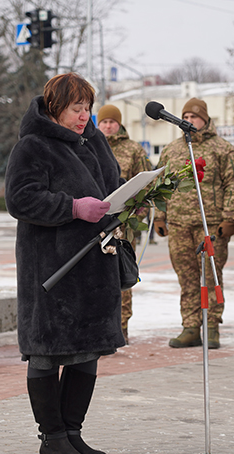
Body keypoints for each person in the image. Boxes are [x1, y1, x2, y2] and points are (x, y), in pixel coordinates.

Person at [4, 73, 125, 454]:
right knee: (47, 351)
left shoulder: (94, 140)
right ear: (55, 108)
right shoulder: (33, 145)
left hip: (93, 265)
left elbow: (111, 187)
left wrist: (132, 197)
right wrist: (73, 207)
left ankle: (73, 433)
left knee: (86, 349)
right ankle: (52, 439)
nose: (84, 116)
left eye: (88, 108)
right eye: (77, 108)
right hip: (51, 267)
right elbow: (21, 199)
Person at [154, 97, 234, 349]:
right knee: (187, 278)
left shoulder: (223, 149)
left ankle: (212, 326)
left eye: (194, 117)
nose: (189, 120)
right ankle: (191, 326)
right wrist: (159, 216)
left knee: (211, 276)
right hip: (179, 224)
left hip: (210, 225)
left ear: (205, 119)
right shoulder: (171, 150)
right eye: (186, 117)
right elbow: (160, 183)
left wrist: (230, 218)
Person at [97, 104, 152, 344]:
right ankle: (97, 327)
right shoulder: (88, 146)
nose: (108, 126)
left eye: (112, 122)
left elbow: (146, 185)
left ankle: (121, 326)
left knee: (121, 274)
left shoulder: (134, 150)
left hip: (123, 225)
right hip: (94, 223)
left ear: (119, 124)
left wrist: (137, 215)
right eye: (104, 122)